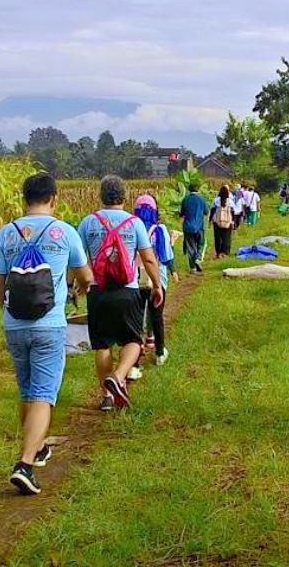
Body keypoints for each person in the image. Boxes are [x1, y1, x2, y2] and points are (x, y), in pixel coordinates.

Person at [0, 173, 93, 496]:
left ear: (24, 199)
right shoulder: (65, 232)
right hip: (50, 325)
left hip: (14, 325)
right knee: (44, 395)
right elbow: (86, 275)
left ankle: (36, 448)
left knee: (27, 390)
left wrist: (7, 309)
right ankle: (24, 464)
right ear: (55, 198)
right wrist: (77, 289)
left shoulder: (6, 234)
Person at [77, 175, 165, 411]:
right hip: (128, 291)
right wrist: (157, 285)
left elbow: (77, 260)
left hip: (98, 290)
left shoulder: (88, 222)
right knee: (133, 340)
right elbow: (148, 257)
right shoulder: (134, 223)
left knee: (102, 344)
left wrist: (76, 285)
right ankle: (118, 376)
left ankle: (107, 396)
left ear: (101, 196)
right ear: (124, 196)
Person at [133, 194, 174, 368]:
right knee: (157, 317)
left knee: (135, 320)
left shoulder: (131, 227)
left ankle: (134, 362)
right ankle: (159, 353)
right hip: (157, 280)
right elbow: (166, 256)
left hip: (135, 281)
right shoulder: (160, 229)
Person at [179, 181, 207, 273]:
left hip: (187, 226)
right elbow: (206, 212)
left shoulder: (185, 199)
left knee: (191, 247)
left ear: (189, 190)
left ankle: (193, 268)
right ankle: (198, 258)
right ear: (198, 189)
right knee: (201, 244)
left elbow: (181, 213)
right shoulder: (202, 199)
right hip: (199, 226)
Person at [211, 184, 235, 258]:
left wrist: (210, 220)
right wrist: (233, 221)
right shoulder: (230, 201)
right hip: (228, 222)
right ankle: (225, 252)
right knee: (227, 237)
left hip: (217, 221)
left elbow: (212, 210)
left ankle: (218, 252)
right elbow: (234, 212)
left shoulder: (216, 200)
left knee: (217, 237)